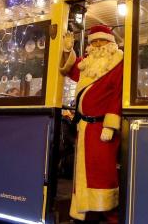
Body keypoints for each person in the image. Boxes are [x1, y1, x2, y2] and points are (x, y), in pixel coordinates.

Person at [60, 25, 123, 223]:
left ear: (110, 43)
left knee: (102, 176)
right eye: (94, 41)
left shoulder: (118, 63)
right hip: (85, 128)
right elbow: (70, 69)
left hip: (102, 128)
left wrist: (110, 125)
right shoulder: (89, 64)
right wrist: (67, 50)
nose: (97, 45)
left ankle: (110, 215)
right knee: (85, 175)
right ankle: (89, 214)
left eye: (101, 41)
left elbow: (118, 94)